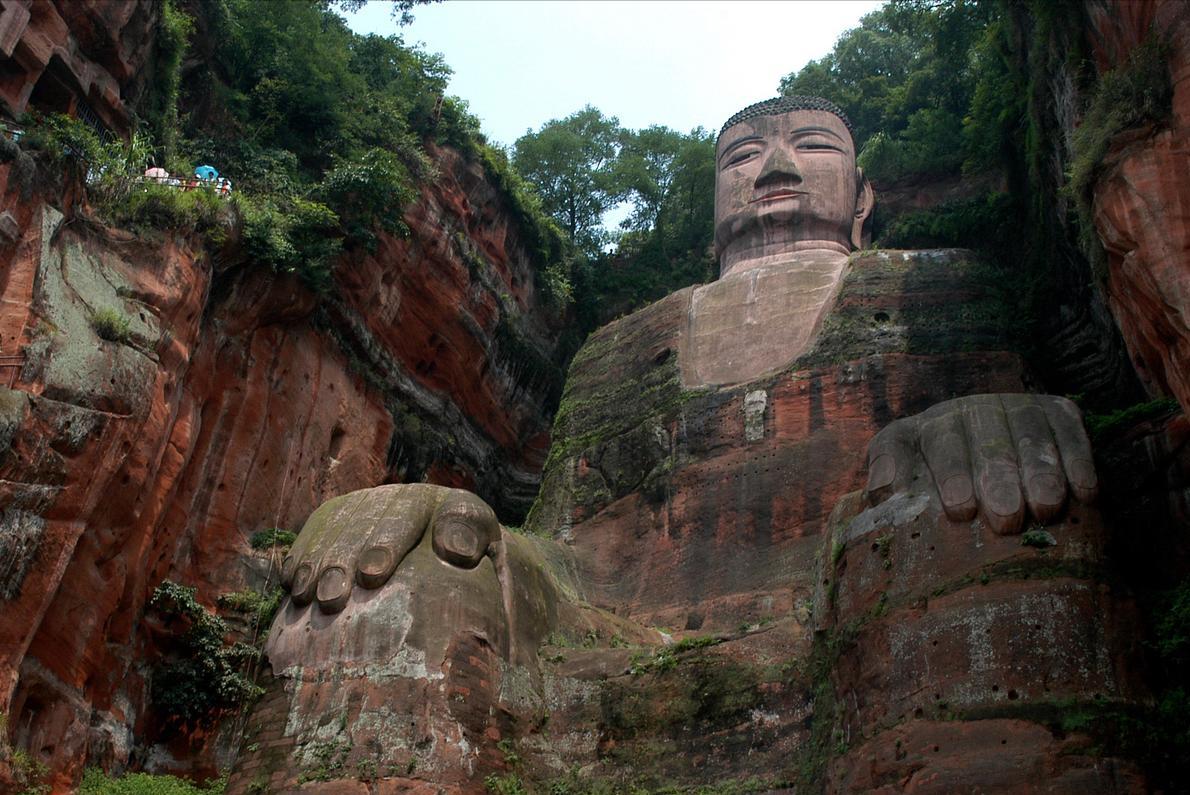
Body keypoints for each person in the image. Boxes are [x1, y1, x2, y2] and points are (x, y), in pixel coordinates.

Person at [232, 97, 1139, 792]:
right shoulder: (621, 345)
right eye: (742, 156)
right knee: (413, 570)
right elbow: (559, 549)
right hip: (607, 633)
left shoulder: (934, 289)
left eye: (811, 146)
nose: (775, 164)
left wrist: (996, 419)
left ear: (864, 201)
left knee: (984, 505)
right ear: (710, 208)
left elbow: (997, 446)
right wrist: (444, 516)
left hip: (842, 609)